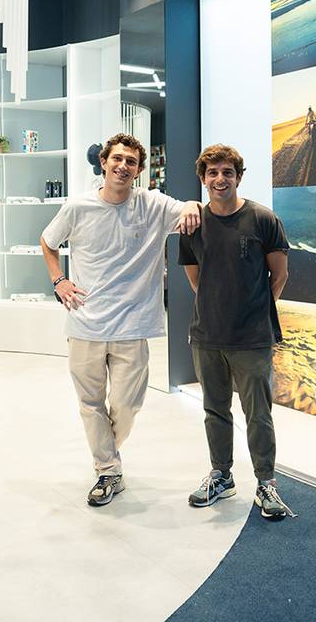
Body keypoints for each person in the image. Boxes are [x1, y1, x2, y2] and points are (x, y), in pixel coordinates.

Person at [40, 132, 202, 507]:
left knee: (128, 405)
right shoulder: (77, 207)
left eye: (131, 161)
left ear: (140, 169)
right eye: (117, 159)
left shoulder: (153, 205)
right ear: (104, 163)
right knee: (90, 402)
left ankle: (106, 456)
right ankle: (108, 471)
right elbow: (48, 242)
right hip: (85, 324)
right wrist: (59, 280)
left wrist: (193, 201)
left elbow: (188, 212)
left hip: (133, 326)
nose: (123, 166)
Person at [178, 144, 293, 519]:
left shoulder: (262, 219)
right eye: (212, 173)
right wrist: (219, 306)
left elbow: (280, 275)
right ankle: (222, 477)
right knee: (214, 410)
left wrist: (251, 308)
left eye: (227, 172)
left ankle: (266, 484)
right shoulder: (192, 224)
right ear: (203, 179)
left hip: (252, 337)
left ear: (238, 177)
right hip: (207, 335)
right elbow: (196, 279)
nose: (219, 179)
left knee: (258, 413)